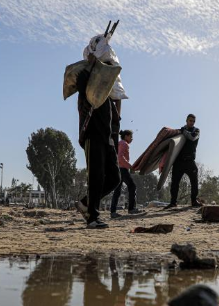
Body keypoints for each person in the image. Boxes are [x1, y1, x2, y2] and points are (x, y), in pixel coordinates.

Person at [74, 52, 121, 229]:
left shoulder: (108, 92)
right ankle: (92, 217)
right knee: (96, 177)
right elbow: (85, 92)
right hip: (92, 135)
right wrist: (93, 64)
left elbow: (115, 117)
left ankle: (86, 204)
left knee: (114, 178)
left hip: (106, 138)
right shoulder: (85, 77)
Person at [164, 114, 202, 210]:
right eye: (190, 120)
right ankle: (173, 202)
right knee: (174, 183)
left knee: (194, 181)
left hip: (190, 161)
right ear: (186, 120)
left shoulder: (196, 131)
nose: (191, 122)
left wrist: (183, 131)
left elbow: (192, 137)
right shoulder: (180, 131)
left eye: (193, 121)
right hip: (178, 161)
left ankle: (194, 201)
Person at [110, 130, 143, 218]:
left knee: (117, 190)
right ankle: (131, 209)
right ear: (126, 136)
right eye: (130, 136)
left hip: (118, 168)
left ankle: (113, 212)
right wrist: (130, 167)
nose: (132, 139)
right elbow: (120, 157)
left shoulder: (120, 143)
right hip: (122, 169)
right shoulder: (124, 144)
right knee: (132, 186)